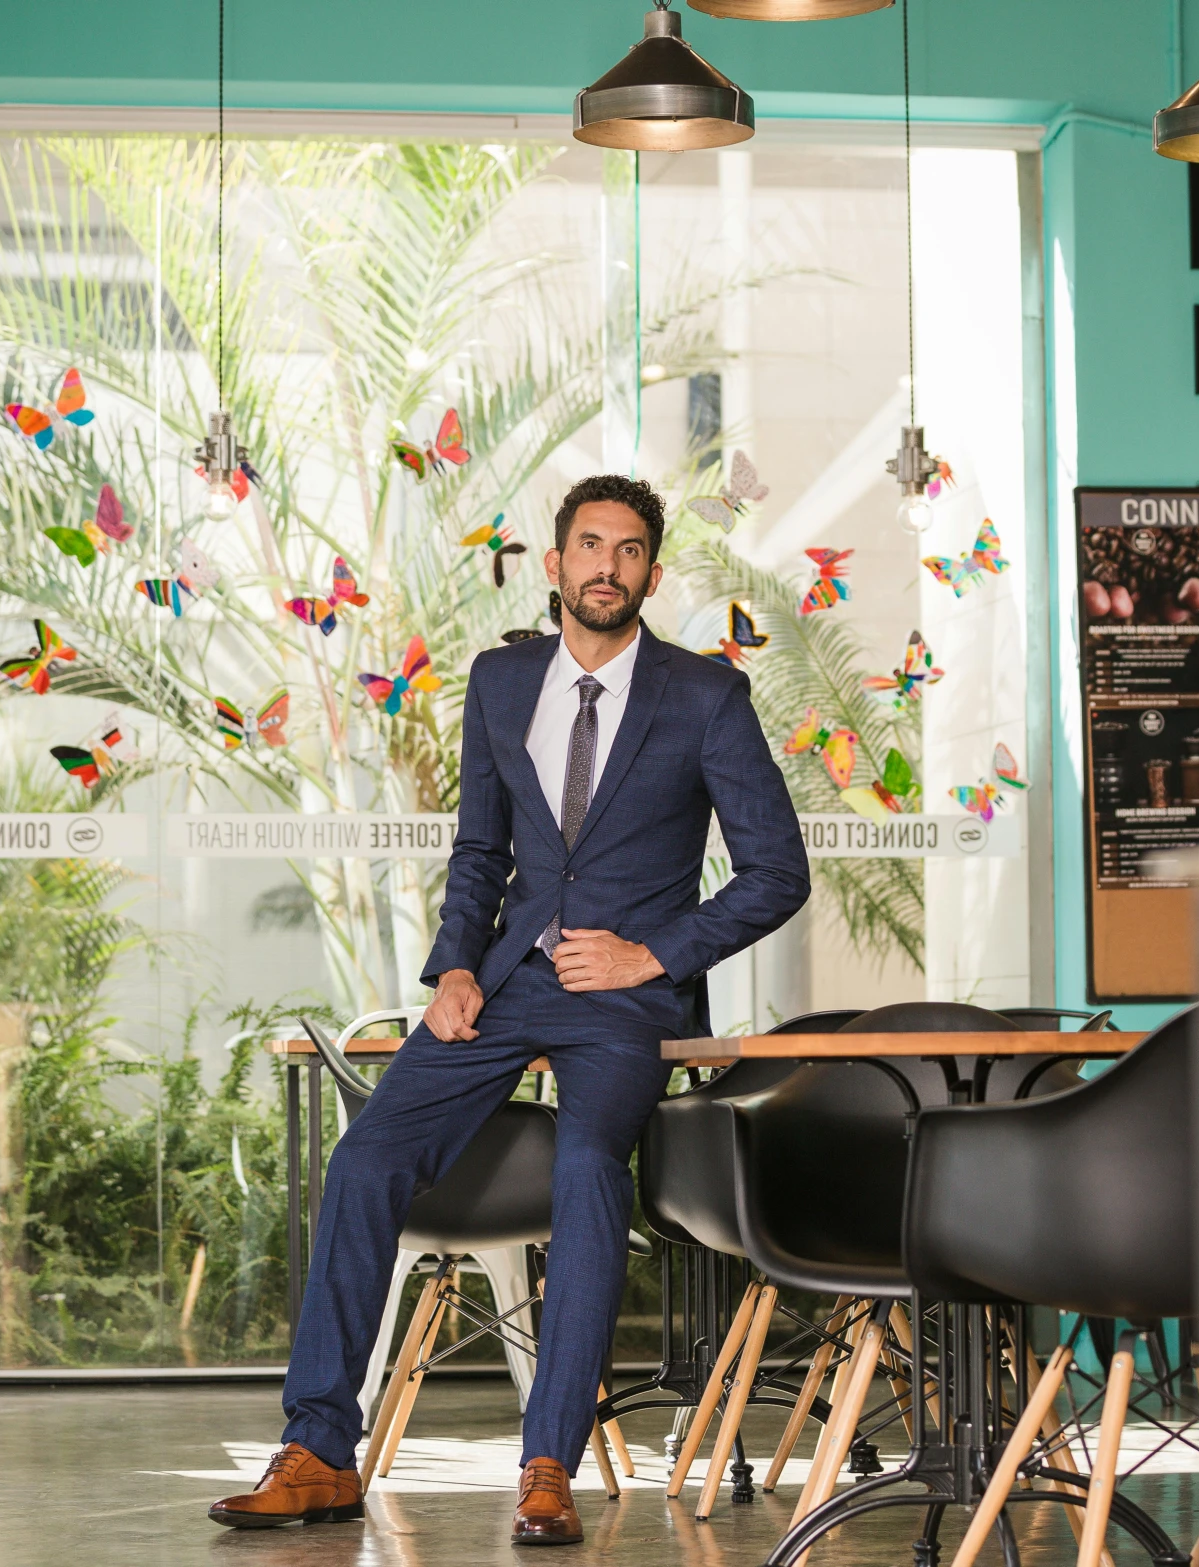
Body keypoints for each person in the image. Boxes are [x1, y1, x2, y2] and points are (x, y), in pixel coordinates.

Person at [210, 475, 811, 1544]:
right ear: (554, 561)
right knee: (363, 1161)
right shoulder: (498, 682)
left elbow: (776, 871)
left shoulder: (703, 695)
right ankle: (316, 1450)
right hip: (500, 984)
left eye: (628, 551)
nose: (605, 567)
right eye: (588, 545)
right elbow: (481, 850)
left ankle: (545, 1464)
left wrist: (651, 955)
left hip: (620, 1001)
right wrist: (451, 966)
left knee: (586, 1169)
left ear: (652, 575)